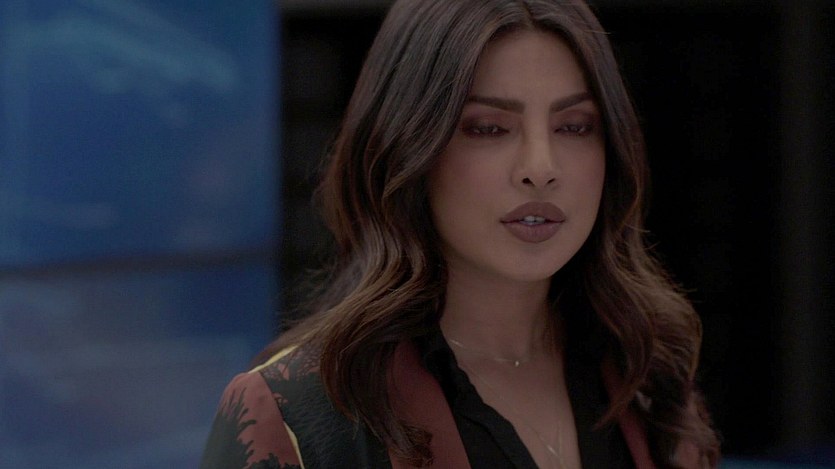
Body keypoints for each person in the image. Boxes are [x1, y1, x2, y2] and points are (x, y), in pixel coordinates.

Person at [200, 0, 720, 467]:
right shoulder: (300, 412)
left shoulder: (648, 377)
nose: (541, 168)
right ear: (409, 147)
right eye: (489, 128)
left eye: (574, 126)